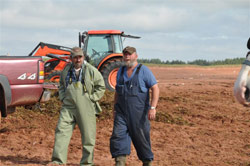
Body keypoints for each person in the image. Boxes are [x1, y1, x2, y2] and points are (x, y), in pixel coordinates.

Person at [49, 47, 105, 166]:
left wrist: (92, 99)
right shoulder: (66, 69)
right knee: (61, 131)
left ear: (83, 57)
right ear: (71, 58)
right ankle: (58, 161)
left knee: (88, 136)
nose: (78, 59)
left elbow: (101, 87)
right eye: (75, 57)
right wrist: (63, 97)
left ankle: (87, 163)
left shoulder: (91, 70)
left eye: (80, 57)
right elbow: (61, 85)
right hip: (68, 106)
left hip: (86, 107)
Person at [110, 46, 160, 166]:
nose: (127, 56)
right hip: (121, 113)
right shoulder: (120, 71)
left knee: (142, 141)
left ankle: (147, 162)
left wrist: (153, 108)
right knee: (118, 137)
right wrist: (114, 108)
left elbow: (155, 88)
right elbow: (117, 91)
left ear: (136, 56)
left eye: (130, 54)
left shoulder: (144, 70)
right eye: (125, 54)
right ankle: (120, 163)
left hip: (139, 115)